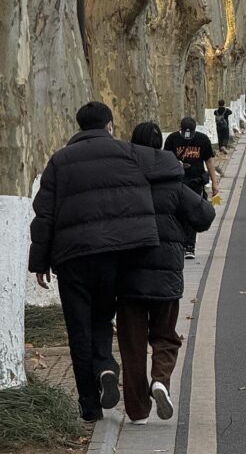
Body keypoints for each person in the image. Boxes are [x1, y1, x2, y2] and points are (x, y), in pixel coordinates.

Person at [28, 101, 166, 422]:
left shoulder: (59, 161)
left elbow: (43, 214)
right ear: (109, 125)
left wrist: (39, 262)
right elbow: (166, 170)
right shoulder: (128, 153)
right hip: (114, 256)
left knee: (79, 329)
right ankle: (105, 364)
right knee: (103, 318)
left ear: (78, 126)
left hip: (71, 258)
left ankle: (89, 405)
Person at [116, 123, 215, 424]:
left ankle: (137, 411)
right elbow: (205, 215)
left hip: (128, 276)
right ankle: (160, 380)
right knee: (165, 336)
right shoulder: (174, 183)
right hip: (167, 276)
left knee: (132, 345)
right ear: (161, 146)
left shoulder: (121, 181)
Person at [163, 117, 219, 259]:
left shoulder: (203, 139)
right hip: (177, 182)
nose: (187, 135)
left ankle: (189, 246)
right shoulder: (172, 139)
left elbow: (209, 161)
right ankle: (179, 243)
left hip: (196, 183)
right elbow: (165, 159)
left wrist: (214, 182)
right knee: (176, 214)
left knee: (192, 213)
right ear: (180, 129)